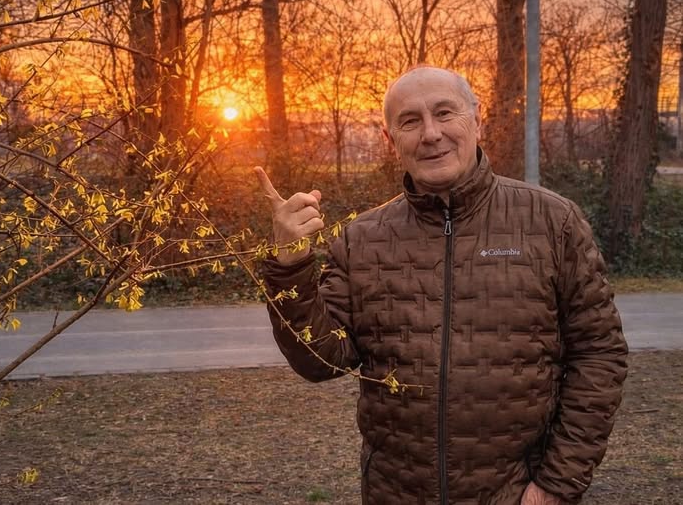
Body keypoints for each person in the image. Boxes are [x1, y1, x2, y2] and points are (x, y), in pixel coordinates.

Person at [255, 66, 628, 505]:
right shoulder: (362, 238)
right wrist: (290, 265)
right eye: (410, 121)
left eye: (445, 113)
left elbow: (599, 354)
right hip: (396, 494)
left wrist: (557, 483)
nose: (431, 133)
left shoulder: (551, 221)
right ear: (390, 139)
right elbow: (320, 361)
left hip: (516, 493)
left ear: (477, 119)